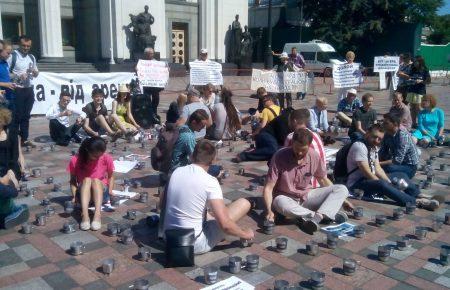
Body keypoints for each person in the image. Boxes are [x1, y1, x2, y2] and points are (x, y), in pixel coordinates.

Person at [163, 140, 254, 254]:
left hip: (169, 238)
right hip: (192, 244)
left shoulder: (176, 171)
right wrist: (245, 234)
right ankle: (231, 231)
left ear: (192, 156)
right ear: (213, 160)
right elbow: (225, 225)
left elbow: (162, 203)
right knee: (243, 203)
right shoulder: (210, 181)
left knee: (210, 213)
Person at [263, 128, 349, 234]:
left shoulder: (314, 156)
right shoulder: (279, 156)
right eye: (296, 148)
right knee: (279, 201)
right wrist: (269, 211)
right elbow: (268, 187)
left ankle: (317, 216)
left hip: (306, 196)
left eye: (303, 150)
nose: (299, 152)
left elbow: (322, 179)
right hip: (286, 199)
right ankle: (320, 216)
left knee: (341, 189)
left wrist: (343, 200)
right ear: (292, 143)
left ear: (309, 146)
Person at [346, 124, 439, 209]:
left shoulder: (373, 147)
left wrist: (389, 182)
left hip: (368, 180)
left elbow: (378, 169)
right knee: (382, 184)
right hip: (356, 184)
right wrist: (388, 185)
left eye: (379, 139)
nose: (377, 140)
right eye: (374, 137)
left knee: (400, 175)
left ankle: (416, 194)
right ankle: (416, 202)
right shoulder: (359, 146)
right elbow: (367, 172)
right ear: (367, 133)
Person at [67, 137, 115, 231]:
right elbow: (73, 180)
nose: (98, 158)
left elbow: (111, 176)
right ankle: (85, 215)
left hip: (101, 193)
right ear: (87, 151)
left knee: (96, 181)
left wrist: (110, 190)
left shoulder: (106, 157)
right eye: (95, 156)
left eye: (100, 156)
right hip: (84, 194)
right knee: (87, 180)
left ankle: (97, 215)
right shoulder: (75, 160)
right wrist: (74, 196)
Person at [234, 108, 300, 162]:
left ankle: (259, 151)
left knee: (276, 153)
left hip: (272, 140)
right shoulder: (284, 119)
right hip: (265, 135)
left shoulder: (290, 120)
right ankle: (244, 155)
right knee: (274, 150)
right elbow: (283, 138)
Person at [7, 35, 39, 147]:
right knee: (17, 116)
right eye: (24, 46)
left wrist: (35, 73)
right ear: (19, 45)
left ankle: (24, 139)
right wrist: (18, 76)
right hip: (17, 90)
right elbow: (6, 74)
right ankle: (14, 140)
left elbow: (36, 72)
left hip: (28, 89)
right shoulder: (13, 56)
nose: (26, 48)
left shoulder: (32, 57)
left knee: (26, 116)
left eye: (28, 46)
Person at [0, 107, 29, 229]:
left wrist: (10, 173)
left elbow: (14, 157)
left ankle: (12, 210)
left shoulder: (11, 132)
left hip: (10, 169)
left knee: (6, 188)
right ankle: (14, 210)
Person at [379, 113, 419, 178]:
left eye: (386, 123)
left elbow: (397, 160)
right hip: (398, 163)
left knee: (387, 168)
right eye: (383, 122)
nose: (383, 125)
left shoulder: (402, 136)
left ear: (394, 124)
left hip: (409, 166)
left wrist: (378, 164)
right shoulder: (388, 133)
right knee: (378, 167)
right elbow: (383, 151)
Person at [406, 55, 431, 128]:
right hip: (411, 90)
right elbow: (409, 77)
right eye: (414, 62)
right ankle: (413, 123)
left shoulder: (425, 70)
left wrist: (421, 81)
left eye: (416, 62)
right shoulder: (412, 69)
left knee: (419, 108)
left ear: (420, 62)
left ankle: (421, 124)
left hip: (420, 91)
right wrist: (410, 80)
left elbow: (429, 81)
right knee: (412, 108)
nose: (414, 63)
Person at [140, 47, 164, 115]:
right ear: (146, 54)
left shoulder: (156, 62)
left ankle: (154, 113)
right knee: (146, 99)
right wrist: (136, 68)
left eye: (152, 53)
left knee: (156, 99)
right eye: (150, 53)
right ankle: (147, 114)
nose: (152, 55)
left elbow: (161, 71)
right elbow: (137, 69)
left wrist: (166, 69)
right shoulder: (142, 62)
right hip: (146, 85)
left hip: (155, 85)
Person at [0, 40, 16, 113]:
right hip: (2, 99)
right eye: (8, 53)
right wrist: (5, 84)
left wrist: (16, 77)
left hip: (9, 96)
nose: (9, 56)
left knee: (11, 121)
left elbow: (6, 75)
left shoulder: (5, 63)